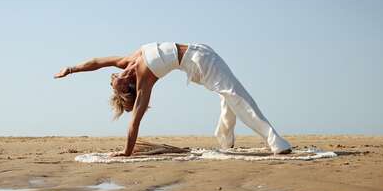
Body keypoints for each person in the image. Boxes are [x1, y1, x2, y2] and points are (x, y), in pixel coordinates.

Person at [54, 42, 292, 156]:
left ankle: (225, 140)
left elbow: (96, 62)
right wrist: (126, 152)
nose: (111, 78)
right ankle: (276, 142)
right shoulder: (144, 81)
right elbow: (134, 123)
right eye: (112, 83)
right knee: (237, 97)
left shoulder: (126, 61)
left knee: (229, 97)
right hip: (200, 63)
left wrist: (71, 69)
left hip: (200, 52)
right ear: (124, 89)